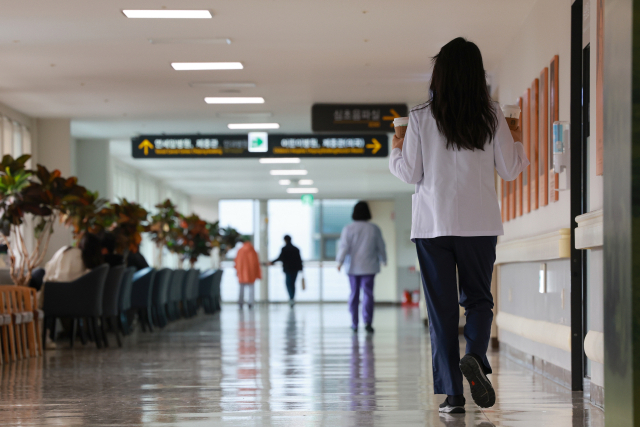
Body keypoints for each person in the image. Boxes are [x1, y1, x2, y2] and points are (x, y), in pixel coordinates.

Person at [389, 38, 529, 413]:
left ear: (440, 73)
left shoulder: (419, 117)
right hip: (479, 224)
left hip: (432, 227)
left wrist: (396, 147)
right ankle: (477, 358)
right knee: (479, 301)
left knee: (442, 313)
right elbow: (512, 169)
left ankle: (453, 397)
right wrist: (517, 139)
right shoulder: (493, 115)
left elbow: (410, 173)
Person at [38, 233, 105, 348]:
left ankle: (42, 337)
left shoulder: (71, 253)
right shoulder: (87, 263)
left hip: (55, 296)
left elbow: (57, 277)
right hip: (76, 300)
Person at [336, 201, 387, 334]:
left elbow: (344, 247)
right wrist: (384, 259)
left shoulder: (349, 228)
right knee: (368, 295)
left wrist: (339, 262)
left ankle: (354, 323)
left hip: (353, 267)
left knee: (354, 294)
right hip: (369, 267)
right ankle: (368, 322)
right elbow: (381, 246)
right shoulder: (374, 228)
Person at [270, 235, 303, 307]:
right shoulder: (296, 249)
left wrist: (272, 262)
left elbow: (280, 257)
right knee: (293, 284)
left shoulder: (284, 249)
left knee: (288, 283)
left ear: (285, 240)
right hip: (295, 269)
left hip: (288, 269)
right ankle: (292, 298)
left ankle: (291, 298)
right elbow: (299, 260)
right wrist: (301, 269)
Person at [234, 236, 261, 309]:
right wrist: (257, 273)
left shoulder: (240, 250)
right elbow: (256, 263)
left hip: (242, 273)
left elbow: (237, 262)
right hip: (251, 273)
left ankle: (240, 302)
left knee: (241, 288)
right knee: (251, 288)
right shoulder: (253, 251)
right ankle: (250, 302)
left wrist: (237, 271)